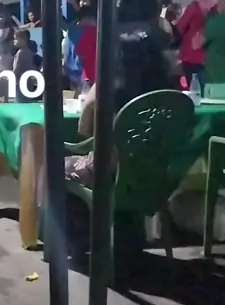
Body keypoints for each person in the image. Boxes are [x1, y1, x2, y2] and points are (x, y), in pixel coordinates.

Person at [65, 23, 174, 188]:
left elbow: (83, 129)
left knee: (53, 166)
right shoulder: (168, 91)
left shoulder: (105, 86)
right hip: (156, 173)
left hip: (109, 171)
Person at [176, 0, 216, 86]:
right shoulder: (214, 4)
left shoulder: (193, 7)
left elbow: (180, 28)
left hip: (191, 56)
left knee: (194, 89)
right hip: (209, 55)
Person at [12, 30, 39, 102]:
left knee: (20, 101)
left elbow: (17, 68)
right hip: (28, 81)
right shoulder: (29, 52)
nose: (14, 41)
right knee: (27, 101)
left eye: (15, 39)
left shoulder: (20, 53)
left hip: (20, 82)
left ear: (23, 40)